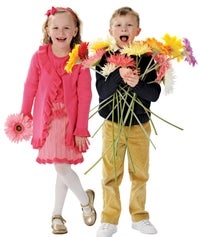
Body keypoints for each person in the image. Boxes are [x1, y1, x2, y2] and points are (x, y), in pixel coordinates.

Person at [20, 6, 96, 234]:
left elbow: (85, 95)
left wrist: (81, 127)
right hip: (48, 120)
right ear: (47, 29)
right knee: (61, 167)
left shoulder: (80, 59)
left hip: (70, 123)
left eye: (66, 27)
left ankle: (69, 210)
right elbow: (30, 86)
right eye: (56, 27)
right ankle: (73, 207)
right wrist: (25, 115)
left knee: (62, 167)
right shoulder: (39, 57)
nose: (60, 31)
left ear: (75, 31)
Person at [95, 7, 161, 236]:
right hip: (112, 125)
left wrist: (137, 84)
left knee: (140, 173)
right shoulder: (103, 57)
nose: (124, 29)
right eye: (119, 26)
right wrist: (117, 74)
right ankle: (109, 219)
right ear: (111, 31)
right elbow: (102, 92)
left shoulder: (148, 58)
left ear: (138, 31)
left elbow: (154, 94)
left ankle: (139, 216)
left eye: (129, 25)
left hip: (140, 125)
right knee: (110, 174)